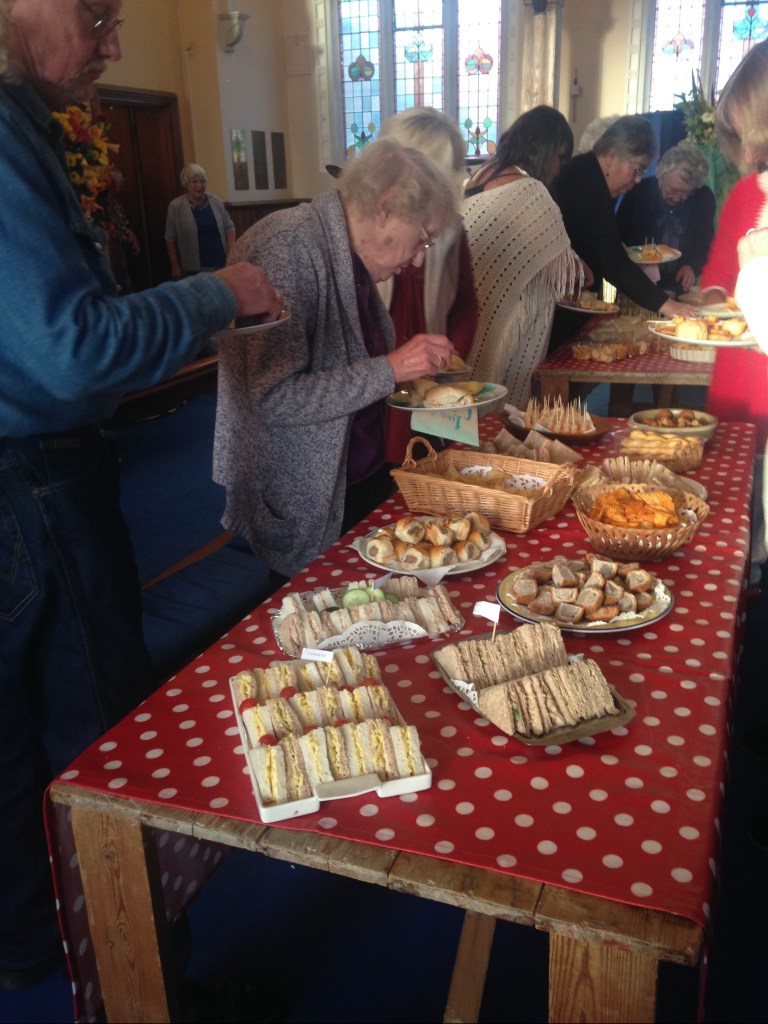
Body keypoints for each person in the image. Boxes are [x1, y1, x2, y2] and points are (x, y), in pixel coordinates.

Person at [0, 0, 281, 992]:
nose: (114, 45)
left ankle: (35, 949)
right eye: (98, 15)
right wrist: (220, 292)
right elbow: (73, 353)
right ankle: (147, 991)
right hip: (31, 482)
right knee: (103, 747)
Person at [214, 136, 458, 585]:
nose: (419, 260)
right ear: (385, 207)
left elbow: (349, 371)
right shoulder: (288, 245)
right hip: (306, 495)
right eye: (422, 240)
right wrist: (391, 368)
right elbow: (271, 398)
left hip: (356, 478)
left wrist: (411, 378)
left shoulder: (346, 252)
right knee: (319, 619)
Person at [699, 39, 768, 583]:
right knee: (741, 506)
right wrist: (716, 299)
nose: (749, 161)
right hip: (741, 368)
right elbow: (719, 275)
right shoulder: (748, 192)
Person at [461, 105, 585, 407]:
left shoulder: (477, 178)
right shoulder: (532, 193)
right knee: (497, 408)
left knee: (468, 400)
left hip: (467, 317)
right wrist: (579, 267)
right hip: (505, 329)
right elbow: (565, 275)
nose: (558, 169)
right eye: (559, 158)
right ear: (545, 151)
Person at [376, 107, 479, 464]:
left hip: (432, 378)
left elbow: (465, 302)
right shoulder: (366, 230)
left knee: (435, 466)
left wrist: (450, 355)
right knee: (380, 470)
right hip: (378, 379)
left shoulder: (452, 230)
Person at [551, 115, 697, 327]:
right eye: (636, 170)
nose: (638, 179)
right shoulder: (587, 182)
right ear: (611, 156)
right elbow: (614, 263)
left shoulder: (589, 174)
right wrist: (667, 305)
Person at [617, 141, 715, 297]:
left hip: (677, 284)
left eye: (685, 194)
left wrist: (691, 267)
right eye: (673, 190)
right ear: (661, 176)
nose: (677, 198)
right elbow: (620, 233)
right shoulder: (639, 191)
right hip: (636, 281)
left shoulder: (704, 198)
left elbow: (704, 241)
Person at [165, 162, 235, 279]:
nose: (199, 185)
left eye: (202, 181)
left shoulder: (216, 202)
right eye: (194, 182)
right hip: (192, 270)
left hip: (221, 265)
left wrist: (230, 256)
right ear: (186, 184)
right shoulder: (176, 206)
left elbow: (230, 228)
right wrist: (175, 266)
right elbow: (170, 239)